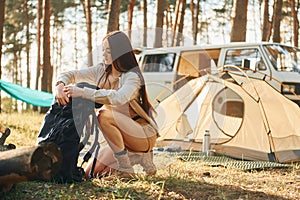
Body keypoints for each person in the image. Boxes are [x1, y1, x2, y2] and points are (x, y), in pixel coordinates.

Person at [54, 31, 158, 178]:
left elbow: (118, 98)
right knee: (90, 174)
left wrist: (83, 92)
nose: (104, 54)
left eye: (108, 51)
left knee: (103, 115)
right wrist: (60, 85)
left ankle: (126, 168)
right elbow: (72, 74)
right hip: (120, 141)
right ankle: (134, 157)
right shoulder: (100, 71)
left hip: (141, 135)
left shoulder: (132, 77)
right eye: (103, 50)